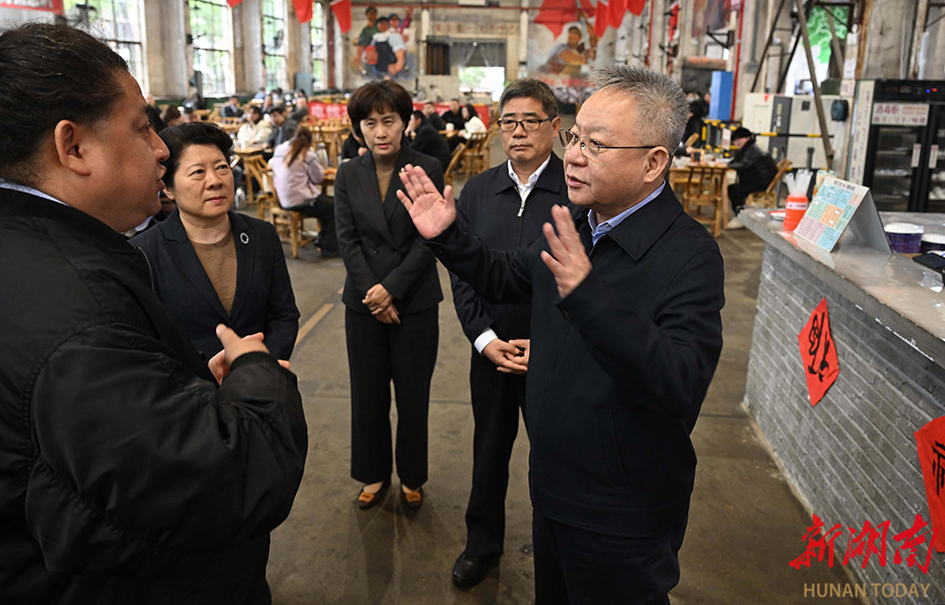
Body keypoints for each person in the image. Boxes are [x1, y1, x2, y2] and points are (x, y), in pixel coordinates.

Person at [0, 23, 307, 603]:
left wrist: (182, 393)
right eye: (142, 127)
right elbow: (231, 478)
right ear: (73, 147)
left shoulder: (39, 253)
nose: (161, 148)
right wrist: (255, 376)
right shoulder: (78, 307)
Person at [397, 65, 724, 604]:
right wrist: (448, 237)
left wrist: (588, 294)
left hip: (621, 510)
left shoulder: (689, 256)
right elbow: (504, 275)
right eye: (575, 137)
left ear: (653, 162)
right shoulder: (578, 222)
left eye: (597, 145)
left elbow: (680, 382)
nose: (573, 155)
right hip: (553, 487)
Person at [449, 78, 570, 589]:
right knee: (489, 453)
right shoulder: (478, 191)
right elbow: (463, 273)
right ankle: (482, 544)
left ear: (555, 126)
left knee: (558, 460)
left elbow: (585, 279)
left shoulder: (576, 190)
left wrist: (552, 345)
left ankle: (559, 554)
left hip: (556, 359)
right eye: (508, 122)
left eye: (530, 121)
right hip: (492, 351)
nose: (518, 132)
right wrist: (484, 339)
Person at [334, 81, 444, 512]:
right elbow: (347, 240)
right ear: (357, 129)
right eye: (370, 123)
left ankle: (412, 475)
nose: (380, 131)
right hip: (364, 305)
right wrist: (373, 293)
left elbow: (430, 239)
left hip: (414, 302)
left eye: (389, 120)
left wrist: (392, 289)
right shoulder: (348, 173)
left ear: (405, 122)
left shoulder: (427, 167)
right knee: (368, 396)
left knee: (413, 397)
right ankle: (373, 473)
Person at [131, 122, 301, 360]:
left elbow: (284, 315)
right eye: (198, 172)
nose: (215, 181)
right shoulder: (144, 252)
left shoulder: (262, 235)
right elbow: (149, 341)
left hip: (264, 375)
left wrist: (259, 369)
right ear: (168, 188)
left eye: (222, 167)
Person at [269, 125, 340, 258]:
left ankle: (322, 239)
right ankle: (329, 246)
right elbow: (318, 179)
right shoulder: (308, 155)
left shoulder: (279, 149)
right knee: (336, 206)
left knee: (328, 204)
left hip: (282, 198)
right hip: (301, 200)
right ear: (310, 141)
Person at [727, 126, 777, 217]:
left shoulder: (752, 150)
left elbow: (744, 164)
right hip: (757, 180)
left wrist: (727, 165)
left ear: (747, 138)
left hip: (761, 182)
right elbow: (737, 162)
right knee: (733, 188)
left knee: (734, 190)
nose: (736, 142)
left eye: (739, 139)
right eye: (735, 140)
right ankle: (739, 213)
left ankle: (740, 214)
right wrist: (727, 164)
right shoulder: (749, 147)